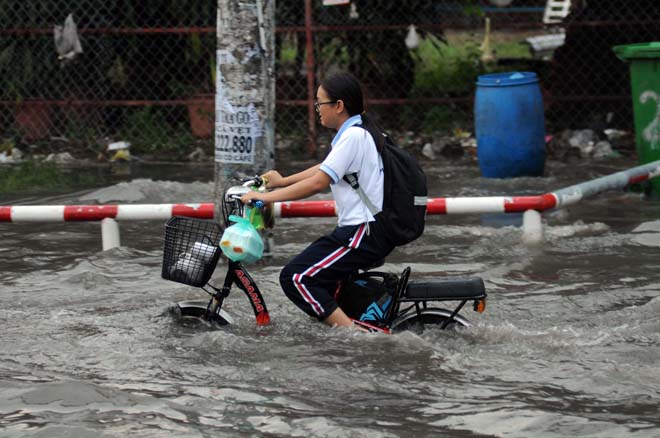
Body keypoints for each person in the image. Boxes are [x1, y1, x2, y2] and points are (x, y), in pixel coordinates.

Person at [241, 72, 395, 329]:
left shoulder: (353, 136)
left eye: (319, 103)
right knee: (322, 282)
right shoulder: (358, 132)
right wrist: (282, 181)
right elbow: (325, 168)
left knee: (296, 278)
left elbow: (318, 183)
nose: (317, 109)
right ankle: (351, 326)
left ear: (339, 105)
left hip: (362, 232)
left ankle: (354, 340)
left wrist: (265, 197)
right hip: (364, 230)